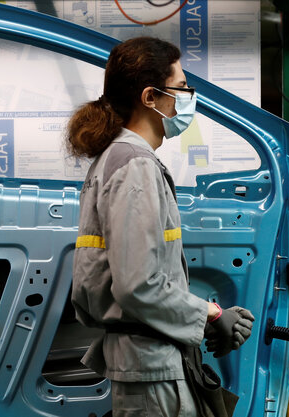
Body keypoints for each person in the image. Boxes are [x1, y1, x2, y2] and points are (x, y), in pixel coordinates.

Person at [66, 37, 255, 417]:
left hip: (153, 364)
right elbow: (138, 285)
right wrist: (212, 315)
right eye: (183, 87)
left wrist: (206, 319)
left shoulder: (119, 159)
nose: (189, 96)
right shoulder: (134, 165)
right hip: (151, 372)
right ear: (151, 97)